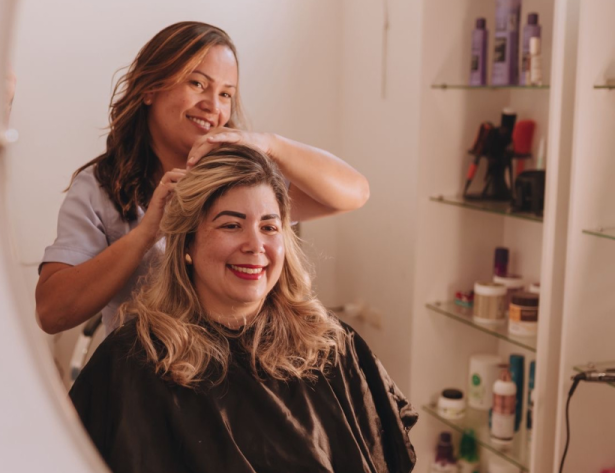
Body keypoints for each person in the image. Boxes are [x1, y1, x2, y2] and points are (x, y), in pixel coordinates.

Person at [69, 145, 417, 473]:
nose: (255, 245)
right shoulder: (132, 362)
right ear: (188, 240)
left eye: (269, 226)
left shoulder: (329, 344)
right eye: (231, 225)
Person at [36, 21, 370, 335]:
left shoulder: (245, 182)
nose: (213, 106)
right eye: (197, 84)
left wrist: (270, 144)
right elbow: (52, 313)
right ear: (150, 88)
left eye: (226, 94)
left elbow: (354, 192)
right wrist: (148, 233)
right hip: (146, 382)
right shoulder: (99, 188)